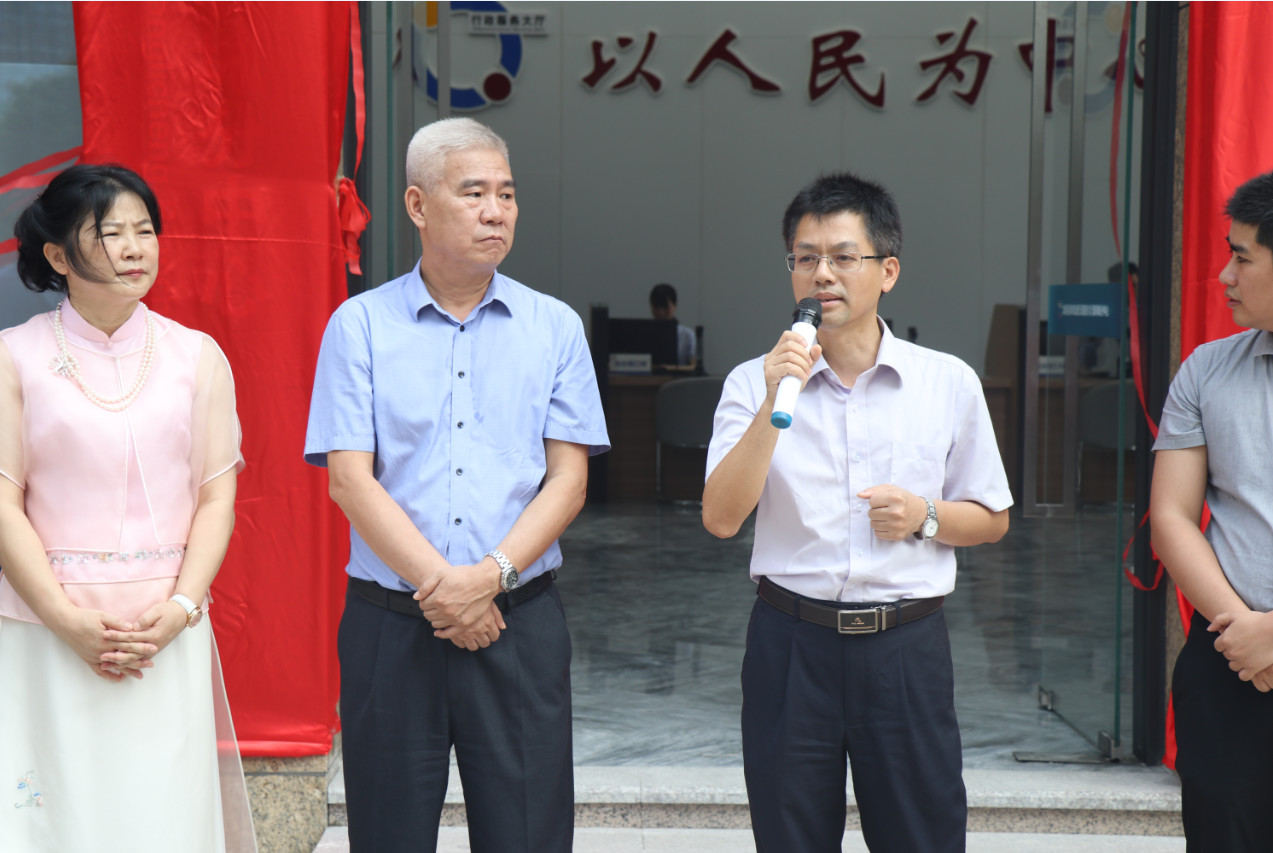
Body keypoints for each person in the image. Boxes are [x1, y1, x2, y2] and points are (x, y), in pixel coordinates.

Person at [305, 117, 609, 853]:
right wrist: (448, 592)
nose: (495, 211)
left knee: (528, 832)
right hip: (392, 626)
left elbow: (568, 480)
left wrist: (489, 578)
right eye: (473, 193)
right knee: (388, 833)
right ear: (417, 204)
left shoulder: (554, 327)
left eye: (506, 193)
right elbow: (350, 480)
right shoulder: (359, 325)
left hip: (518, 622)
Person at [702, 172, 1012, 853]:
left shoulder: (946, 382)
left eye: (843, 257)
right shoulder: (752, 382)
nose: (822, 274)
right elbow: (721, 518)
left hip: (904, 648)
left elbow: (991, 518)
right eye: (805, 258)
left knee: (922, 836)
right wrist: (775, 397)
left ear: (887, 271)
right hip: (791, 644)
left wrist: (925, 516)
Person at [0, 164, 254, 851]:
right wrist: (67, 621)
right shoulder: (14, 357)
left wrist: (181, 608)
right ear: (58, 256)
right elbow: (4, 502)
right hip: (47, 627)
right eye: (110, 233)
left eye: (145, 230)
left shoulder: (195, 356)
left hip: (162, 628)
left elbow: (216, 495)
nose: (135, 248)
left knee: (161, 815)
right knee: (56, 816)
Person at [1151, 169, 1273, 849]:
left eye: (1242, 258)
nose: (1224, 276)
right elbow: (1171, 517)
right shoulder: (1205, 369)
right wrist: (1246, 633)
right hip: (1227, 658)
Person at [649, 281, 697, 369]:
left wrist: (671, 368)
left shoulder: (687, 334)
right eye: (657, 307)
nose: (661, 312)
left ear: (675, 305)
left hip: (679, 375)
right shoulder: (645, 332)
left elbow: (693, 366)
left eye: (665, 307)